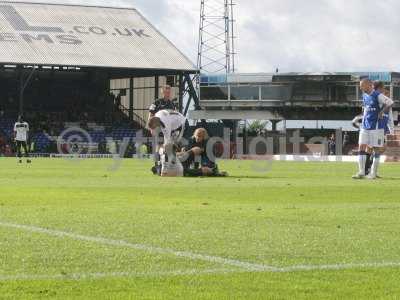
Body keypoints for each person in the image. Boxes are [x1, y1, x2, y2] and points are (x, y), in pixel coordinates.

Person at [353, 79, 393, 179]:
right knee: (361, 147)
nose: (360, 88)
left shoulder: (377, 95)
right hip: (365, 126)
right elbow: (366, 109)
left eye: (362, 86)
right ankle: (361, 172)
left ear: (369, 85)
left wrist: (381, 112)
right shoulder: (364, 96)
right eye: (360, 86)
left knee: (376, 150)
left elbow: (390, 102)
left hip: (376, 127)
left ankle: (373, 173)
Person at [147, 110, 187, 177]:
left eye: (154, 127)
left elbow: (167, 141)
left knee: (170, 146)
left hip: (181, 123)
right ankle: (169, 163)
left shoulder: (165, 123)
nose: (154, 129)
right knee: (168, 147)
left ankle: (170, 166)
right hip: (175, 122)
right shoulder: (158, 116)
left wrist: (163, 147)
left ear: (156, 123)